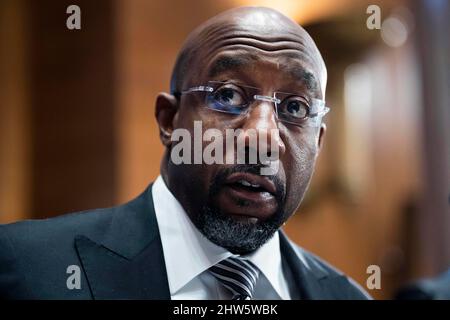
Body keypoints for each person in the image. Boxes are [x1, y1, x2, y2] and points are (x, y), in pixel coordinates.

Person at [0, 7, 370, 300]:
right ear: (169, 121)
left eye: (294, 108)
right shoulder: (26, 269)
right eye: (227, 96)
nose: (263, 137)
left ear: (318, 142)